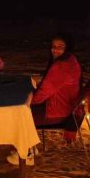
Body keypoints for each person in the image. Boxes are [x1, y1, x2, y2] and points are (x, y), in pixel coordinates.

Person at [7, 33, 82, 165]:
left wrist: (26, 100)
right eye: (53, 46)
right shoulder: (71, 59)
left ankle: (26, 153)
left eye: (60, 46)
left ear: (67, 47)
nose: (55, 49)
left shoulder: (61, 66)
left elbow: (42, 94)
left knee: (19, 113)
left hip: (57, 111)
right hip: (63, 106)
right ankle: (31, 146)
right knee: (24, 105)